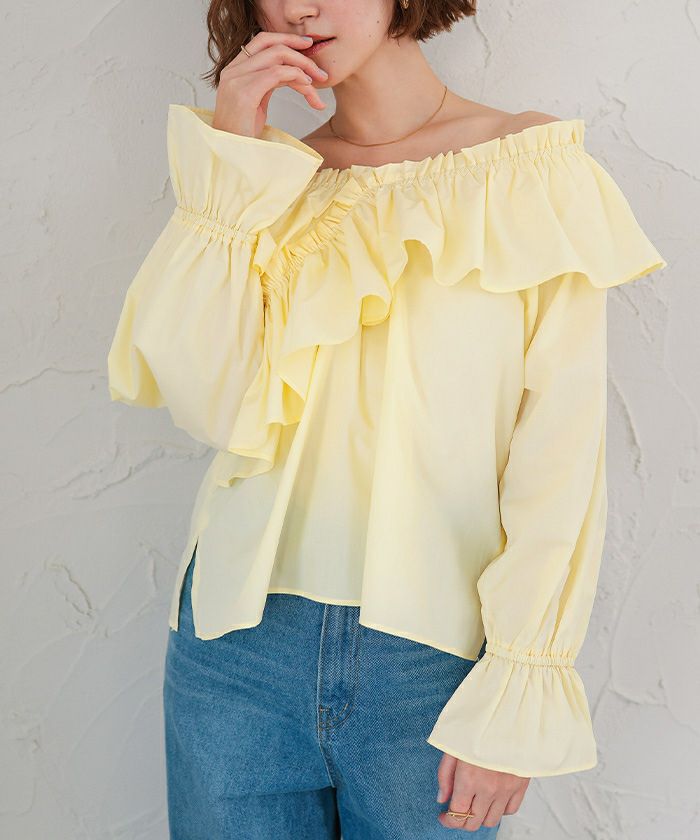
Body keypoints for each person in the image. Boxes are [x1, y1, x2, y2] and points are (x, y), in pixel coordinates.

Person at [106, 1, 667, 837]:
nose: (300, 6)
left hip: (431, 669)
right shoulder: (269, 185)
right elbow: (206, 402)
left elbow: (560, 458)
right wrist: (230, 154)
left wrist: (521, 680)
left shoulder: (529, 168)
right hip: (235, 653)